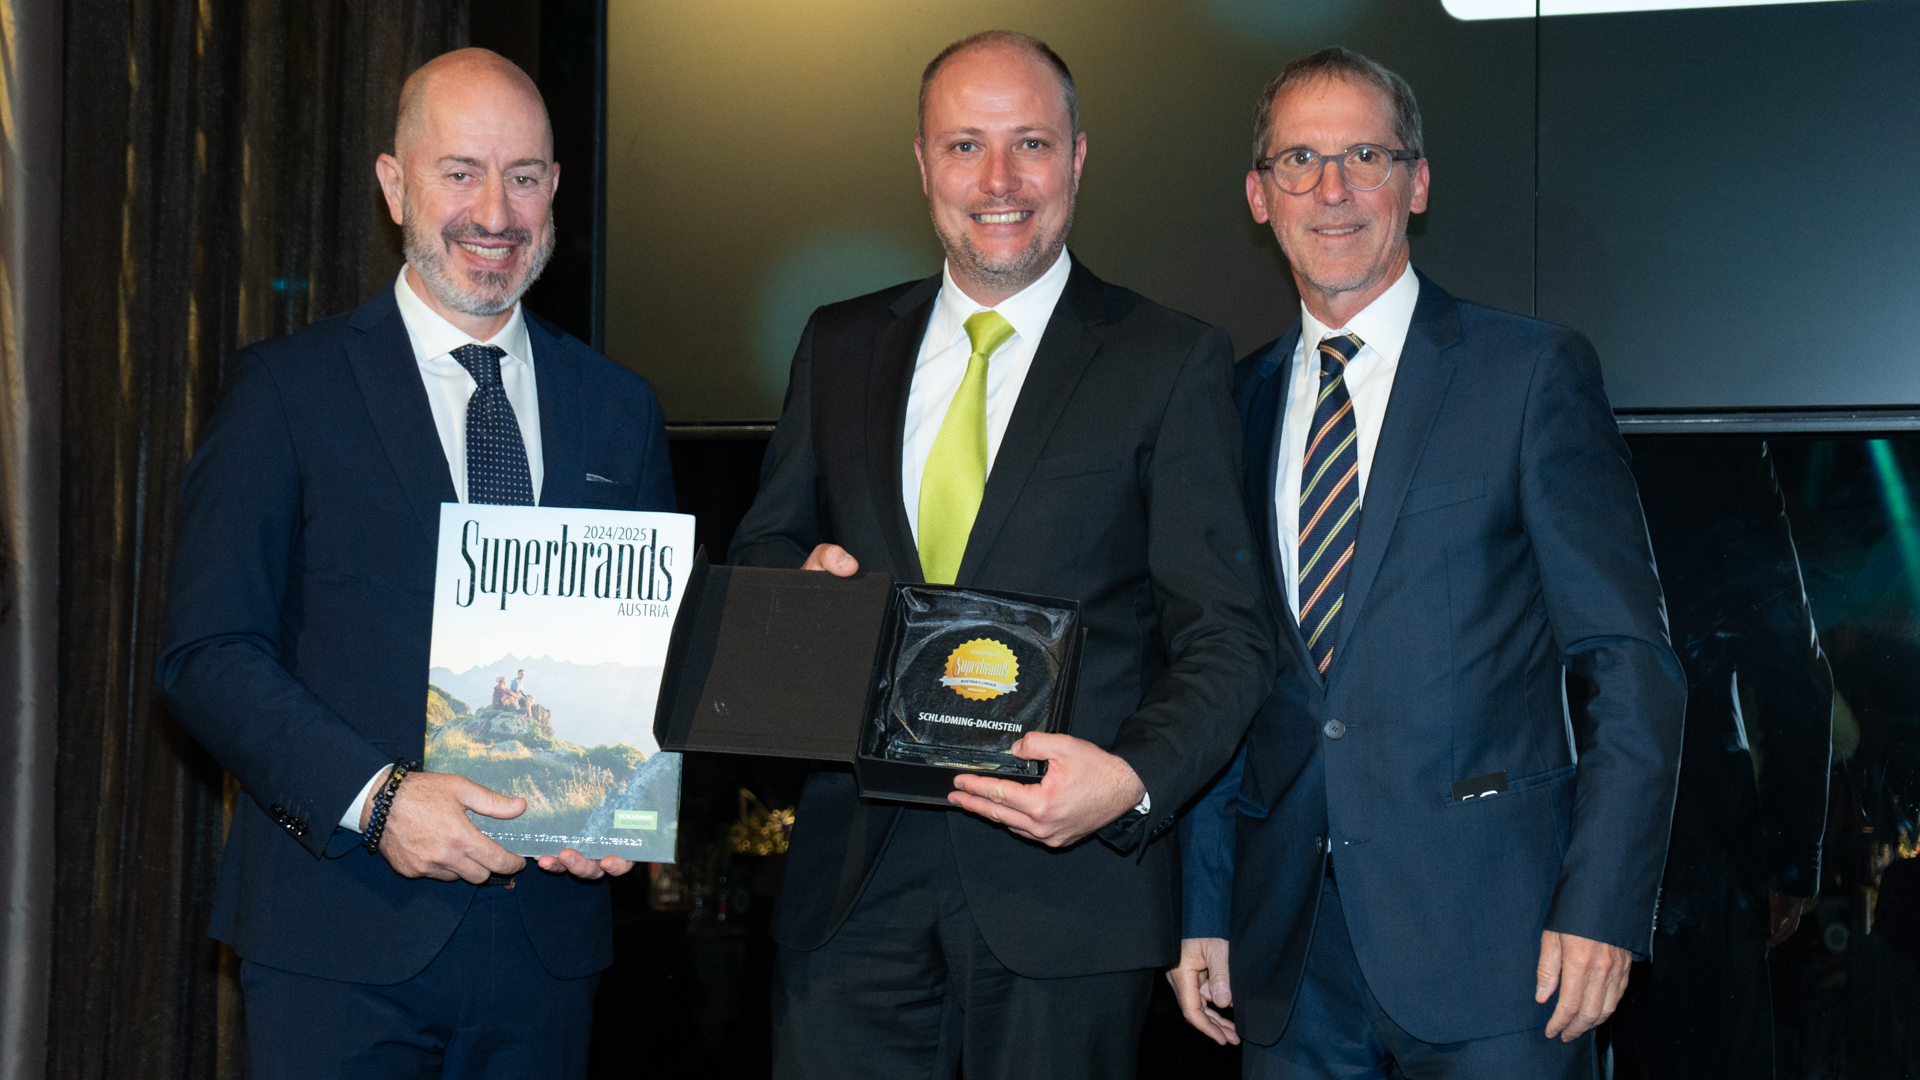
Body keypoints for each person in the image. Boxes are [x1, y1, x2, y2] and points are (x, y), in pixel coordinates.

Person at [728, 29, 1276, 1080]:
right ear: (921, 163)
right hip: (852, 886)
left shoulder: (1169, 359)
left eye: (1031, 143)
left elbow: (1226, 635)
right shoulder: (837, 344)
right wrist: (793, 595)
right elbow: (769, 549)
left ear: (1078, 157)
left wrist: (1131, 782)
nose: (999, 181)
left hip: (1065, 895)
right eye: (965, 145)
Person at [156, 48, 674, 1078]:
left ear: (556, 189)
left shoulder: (620, 408)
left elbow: (658, 652)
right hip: (337, 941)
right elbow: (206, 655)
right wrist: (379, 799)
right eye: (460, 173)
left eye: (523, 177)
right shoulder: (285, 393)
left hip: (548, 949)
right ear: (395, 185)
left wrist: (630, 792)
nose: (495, 212)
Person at [1172, 47, 1686, 1079]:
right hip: (1287, 962)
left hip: (1504, 949)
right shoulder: (1229, 404)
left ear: (1417, 182)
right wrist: (1206, 903)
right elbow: (1225, 671)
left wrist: (1603, 906)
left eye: (1365, 155)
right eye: (1300, 160)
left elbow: (1631, 663)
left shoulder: (1528, 374)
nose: (1332, 189)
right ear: (1259, 197)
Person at [1610, 438, 1833, 1080]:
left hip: (1553, 813)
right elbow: (1793, 671)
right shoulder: (1722, 447)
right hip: (1698, 827)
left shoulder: (1535, 407)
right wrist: (1791, 863)